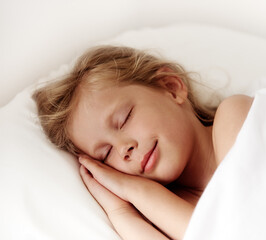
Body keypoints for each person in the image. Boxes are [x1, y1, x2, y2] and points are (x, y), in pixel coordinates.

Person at [33, 46, 253, 240]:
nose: (123, 149)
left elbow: (236, 231)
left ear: (171, 87)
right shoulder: (164, 215)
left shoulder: (235, 114)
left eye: (124, 118)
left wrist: (137, 191)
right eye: (106, 154)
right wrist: (121, 211)